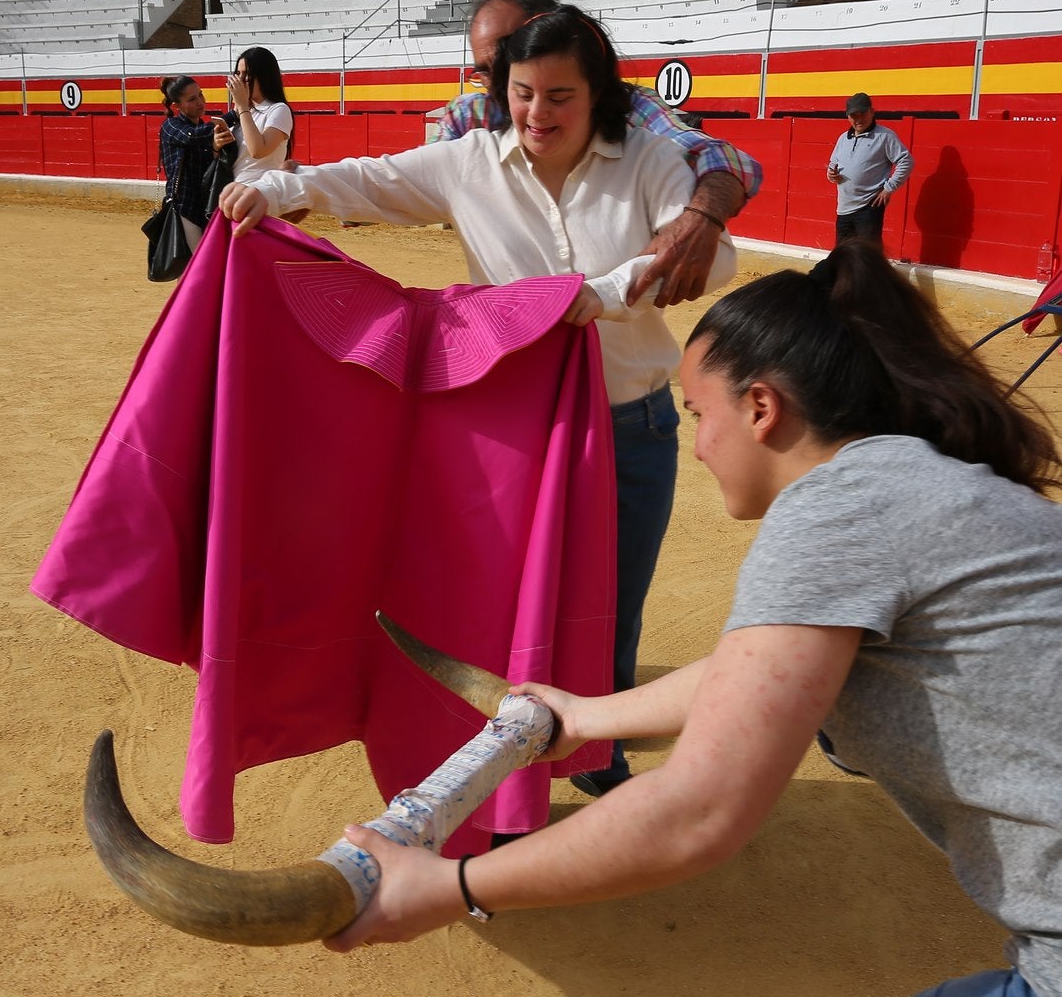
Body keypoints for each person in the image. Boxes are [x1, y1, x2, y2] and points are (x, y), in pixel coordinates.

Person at [322, 240, 1062, 997]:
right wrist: (584, 718)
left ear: (761, 407)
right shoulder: (902, 484)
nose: (699, 445)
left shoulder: (839, 510)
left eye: (698, 413)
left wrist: (450, 887)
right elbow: (757, 677)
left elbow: (697, 813)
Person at [219, 4, 738, 804]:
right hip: (512, 430)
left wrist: (594, 296)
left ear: (598, 92)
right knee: (498, 606)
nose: (538, 114)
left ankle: (594, 752)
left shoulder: (648, 160)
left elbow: (710, 252)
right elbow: (368, 179)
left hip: (627, 422)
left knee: (610, 606)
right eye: (524, 92)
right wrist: (275, 188)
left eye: (560, 96)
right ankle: (495, 762)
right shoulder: (469, 160)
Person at [438, 0, 762, 308]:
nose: (500, 80)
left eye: (510, 56)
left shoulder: (626, 107)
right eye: (485, 70)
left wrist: (702, 215)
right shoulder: (470, 115)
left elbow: (720, 157)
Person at [157, 75, 235, 250]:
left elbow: (208, 171)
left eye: (200, 95)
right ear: (177, 106)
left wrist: (215, 148)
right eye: (192, 99)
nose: (200, 102)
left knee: (193, 268)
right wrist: (232, 116)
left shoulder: (203, 130)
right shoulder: (170, 126)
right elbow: (190, 136)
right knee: (197, 265)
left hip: (204, 207)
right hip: (183, 207)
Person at [827, 91, 914, 245]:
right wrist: (831, 174)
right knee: (843, 255)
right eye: (854, 115)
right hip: (843, 207)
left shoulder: (885, 136)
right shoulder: (842, 138)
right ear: (848, 116)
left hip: (869, 207)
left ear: (872, 112)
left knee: (869, 256)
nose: (859, 119)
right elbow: (833, 163)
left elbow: (906, 161)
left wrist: (889, 188)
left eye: (863, 114)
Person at [212, 46, 294, 182]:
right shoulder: (240, 112)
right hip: (232, 189)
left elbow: (258, 150)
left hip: (260, 192)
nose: (241, 80)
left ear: (264, 76)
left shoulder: (278, 109)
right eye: (238, 73)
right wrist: (216, 146)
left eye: (247, 74)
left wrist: (243, 106)